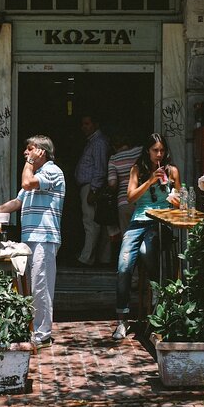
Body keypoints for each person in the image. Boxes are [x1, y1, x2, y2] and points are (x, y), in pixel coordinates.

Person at [0, 135, 65, 349]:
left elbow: (27, 182)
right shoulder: (36, 173)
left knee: (40, 285)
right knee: (30, 286)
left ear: (41, 152)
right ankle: (33, 329)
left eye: (30, 148)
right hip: (30, 237)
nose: (26, 152)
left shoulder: (52, 171)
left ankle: (42, 334)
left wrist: (30, 163)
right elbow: (16, 202)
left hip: (44, 237)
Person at [113, 133, 180, 340]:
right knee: (124, 265)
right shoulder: (138, 170)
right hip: (139, 220)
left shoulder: (172, 171)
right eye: (155, 150)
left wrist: (176, 200)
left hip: (161, 221)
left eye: (162, 150)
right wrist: (150, 181)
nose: (159, 154)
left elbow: (180, 199)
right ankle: (122, 319)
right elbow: (130, 197)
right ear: (147, 151)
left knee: (146, 251)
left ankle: (157, 298)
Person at [74, 114, 112, 267]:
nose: (84, 127)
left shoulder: (98, 143)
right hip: (89, 186)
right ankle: (102, 259)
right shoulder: (94, 142)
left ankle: (86, 258)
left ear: (95, 124)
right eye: (83, 124)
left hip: (91, 186)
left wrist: (94, 190)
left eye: (87, 123)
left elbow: (100, 168)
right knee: (98, 223)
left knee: (90, 223)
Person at [107, 135, 143, 235]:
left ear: (114, 146)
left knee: (128, 238)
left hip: (124, 202)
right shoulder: (140, 151)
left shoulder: (113, 159)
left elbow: (112, 183)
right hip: (142, 200)